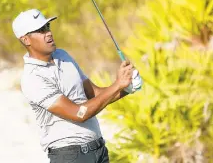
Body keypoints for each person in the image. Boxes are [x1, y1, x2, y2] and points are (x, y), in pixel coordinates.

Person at [12, 9, 142, 163]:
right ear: (26, 39)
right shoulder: (32, 78)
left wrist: (126, 88)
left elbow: (94, 94)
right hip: (70, 156)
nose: (48, 33)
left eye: (47, 27)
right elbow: (78, 114)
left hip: (99, 151)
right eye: (40, 30)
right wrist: (117, 85)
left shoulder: (63, 55)